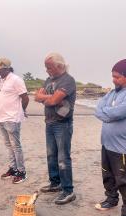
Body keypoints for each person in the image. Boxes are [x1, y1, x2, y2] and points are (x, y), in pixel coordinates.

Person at [94, 58, 126, 216]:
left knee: (125, 181)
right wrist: (107, 112)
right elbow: (98, 109)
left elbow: (114, 114)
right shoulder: (113, 93)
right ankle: (111, 199)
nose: (113, 79)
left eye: (117, 76)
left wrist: (107, 113)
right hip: (106, 144)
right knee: (108, 176)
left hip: (122, 149)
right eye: (113, 76)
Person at [35, 52, 76, 205]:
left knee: (63, 158)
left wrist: (45, 98)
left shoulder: (68, 80)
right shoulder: (48, 80)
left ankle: (68, 190)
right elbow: (38, 97)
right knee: (51, 155)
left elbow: (51, 100)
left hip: (63, 123)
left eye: (49, 67)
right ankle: (55, 183)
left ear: (60, 66)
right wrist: (49, 99)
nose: (47, 70)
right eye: (46, 67)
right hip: (50, 122)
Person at [0, 57, 29, 184]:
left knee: (16, 146)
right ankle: (13, 169)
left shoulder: (16, 80)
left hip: (12, 118)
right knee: (8, 145)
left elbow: (25, 98)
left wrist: (21, 111)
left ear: (5, 68)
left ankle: (22, 172)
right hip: (1, 117)